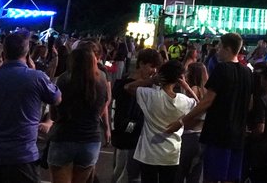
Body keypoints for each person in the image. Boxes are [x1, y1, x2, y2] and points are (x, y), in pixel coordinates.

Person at [0, 31, 62, 183]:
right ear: (27, 53)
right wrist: (33, 69)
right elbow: (57, 99)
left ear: (4, 54)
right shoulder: (37, 77)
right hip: (23, 156)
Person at [166, 33, 252, 183]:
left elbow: (206, 102)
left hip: (218, 134)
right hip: (238, 136)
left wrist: (181, 122)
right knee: (231, 178)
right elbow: (250, 103)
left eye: (220, 47)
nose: (217, 51)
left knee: (211, 177)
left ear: (228, 48)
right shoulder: (247, 72)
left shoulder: (222, 69)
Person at [49, 45, 111, 183]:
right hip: (90, 140)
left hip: (64, 137)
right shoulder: (101, 81)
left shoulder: (64, 80)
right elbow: (103, 108)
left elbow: (54, 114)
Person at [131, 60, 198, 183]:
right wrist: (187, 87)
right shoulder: (184, 101)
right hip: (171, 154)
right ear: (179, 79)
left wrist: (151, 80)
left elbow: (128, 87)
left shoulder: (149, 95)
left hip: (148, 153)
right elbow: (198, 105)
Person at [112, 48, 162, 183]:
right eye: (151, 66)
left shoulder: (149, 87)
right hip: (129, 137)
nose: (154, 71)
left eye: (156, 67)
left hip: (136, 136)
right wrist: (133, 129)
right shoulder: (124, 85)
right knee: (124, 173)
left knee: (122, 171)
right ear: (141, 64)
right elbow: (123, 116)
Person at [175, 61, 209, 183]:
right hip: (201, 136)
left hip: (189, 135)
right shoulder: (208, 91)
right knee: (194, 175)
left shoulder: (194, 90)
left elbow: (189, 111)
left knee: (179, 173)